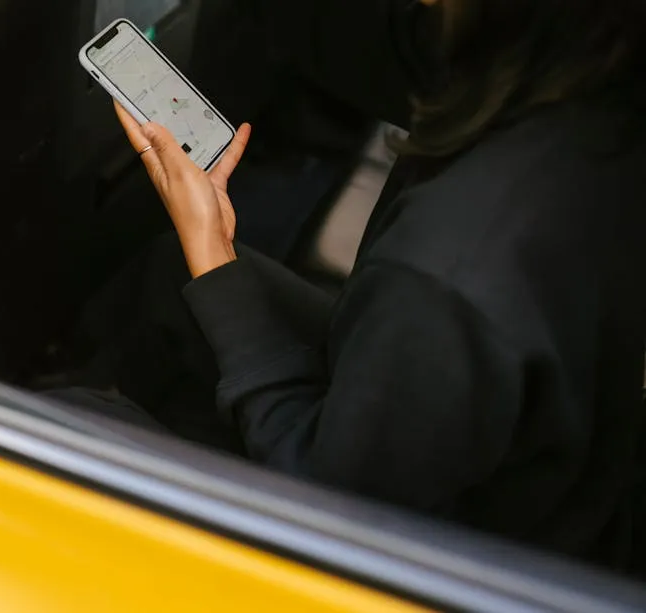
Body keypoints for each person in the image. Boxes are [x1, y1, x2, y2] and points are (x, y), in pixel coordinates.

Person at [51, 0, 646, 575]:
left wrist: (211, 247)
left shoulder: (446, 274)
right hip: (549, 489)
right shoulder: (590, 95)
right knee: (169, 278)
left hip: (408, 554)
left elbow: (327, 510)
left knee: (66, 423)